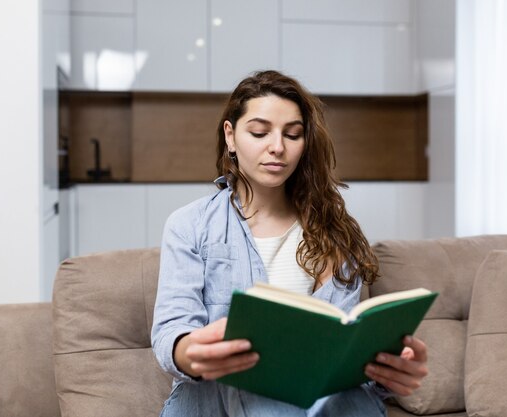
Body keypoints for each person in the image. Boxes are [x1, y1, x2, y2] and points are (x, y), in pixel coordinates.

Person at [151, 70, 428, 417]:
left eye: (293, 134)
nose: (277, 147)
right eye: (259, 132)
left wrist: (390, 370)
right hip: (217, 398)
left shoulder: (334, 232)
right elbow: (171, 331)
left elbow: (342, 359)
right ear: (230, 136)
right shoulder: (189, 225)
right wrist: (189, 350)